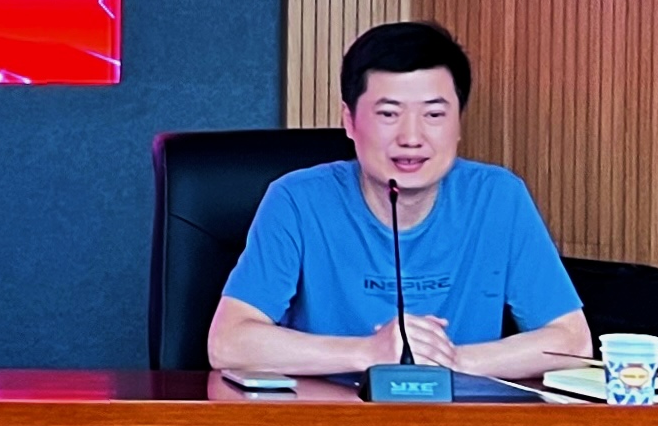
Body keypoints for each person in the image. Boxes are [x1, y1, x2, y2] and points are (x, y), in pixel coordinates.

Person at [209, 20, 594, 382]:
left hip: (456, 423)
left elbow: (572, 342)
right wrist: (367, 352)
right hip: (328, 419)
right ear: (349, 120)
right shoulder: (297, 200)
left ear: (459, 122)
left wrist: (454, 361)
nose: (411, 137)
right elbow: (227, 343)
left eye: (434, 114)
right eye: (389, 114)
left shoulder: (498, 198)